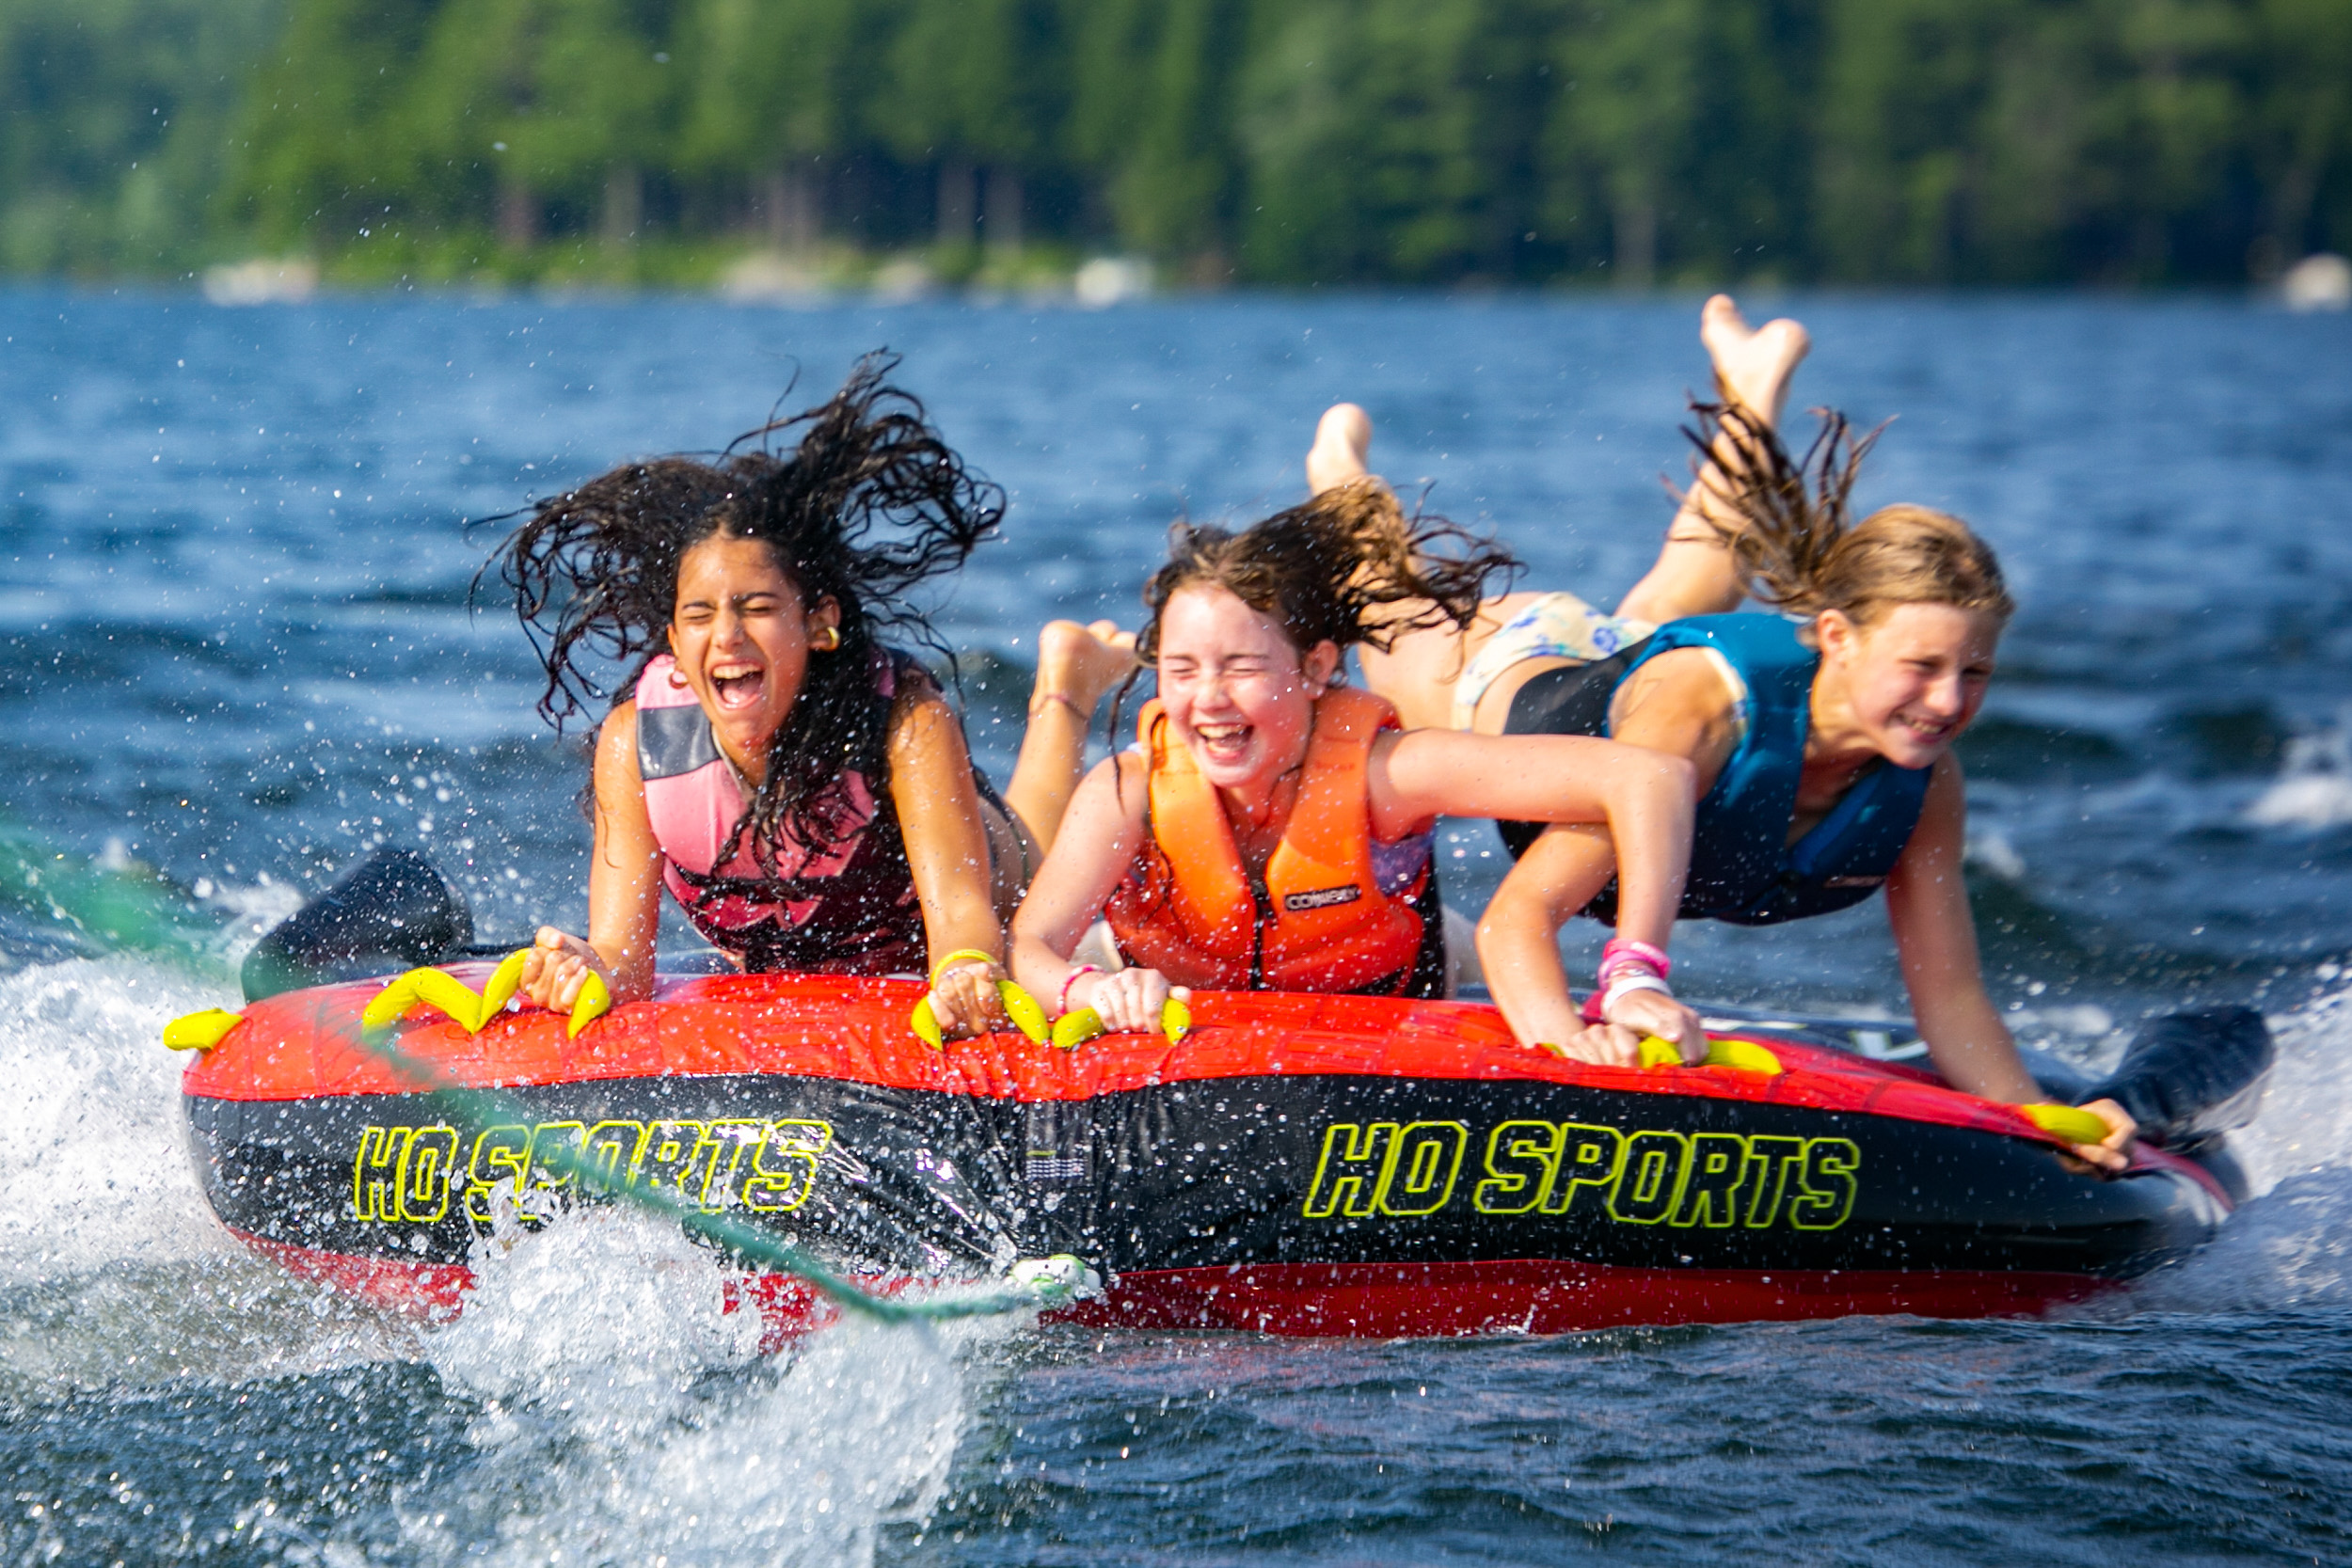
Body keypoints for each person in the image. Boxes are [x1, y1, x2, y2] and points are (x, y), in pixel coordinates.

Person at [1331, 296, 2137, 1170]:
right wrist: (1568, 1050)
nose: (1947, 701)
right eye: (1922, 666)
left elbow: (1949, 992)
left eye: (1974, 672)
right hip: (1512, 669)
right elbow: (1514, 922)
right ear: (1837, 638)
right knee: (1383, 598)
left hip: (1637, 663)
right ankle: (1340, 471)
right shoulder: (1703, 719)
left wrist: (2039, 1119)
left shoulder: (1923, 783)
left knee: (1691, 583)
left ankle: (1752, 385)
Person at [495, 357, 1134, 1038]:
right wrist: (583, 968)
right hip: (805, 947)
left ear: (819, 623)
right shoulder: (636, 743)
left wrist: (965, 970)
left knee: (1030, 853)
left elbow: (960, 920)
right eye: (700, 615)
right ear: (674, 644)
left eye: (758, 607)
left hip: (965, 884)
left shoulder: (904, 720)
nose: (727, 635)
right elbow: (624, 959)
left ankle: (1066, 688)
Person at [1009, 480, 1707, 1060]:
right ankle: (1065, 691)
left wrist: (1634, 972)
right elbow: (1031, 944)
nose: (1209, 699)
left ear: (1316, 668)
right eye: (1182, 670)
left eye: (1242, 666)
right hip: (1155, 972)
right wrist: (1089, 990)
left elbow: (1650, 779)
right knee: (1035, 910)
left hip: (1402, 979)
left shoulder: (1388, 773)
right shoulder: (1129, 791)